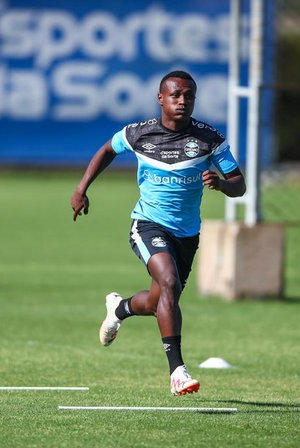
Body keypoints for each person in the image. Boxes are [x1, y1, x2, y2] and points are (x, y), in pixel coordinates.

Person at [71, 70, 246, 396]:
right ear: (160, 98)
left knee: (160, 299)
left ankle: (119, 309)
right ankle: (177, 371)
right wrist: (82, 189)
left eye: (188, 96)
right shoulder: (139, 134)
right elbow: (107, 150)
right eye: (176, 95)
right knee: (168, 283)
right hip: (147, 224)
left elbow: (240, 183)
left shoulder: (209, 139)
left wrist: (222, 184)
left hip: (187, 234)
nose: (182, 101)